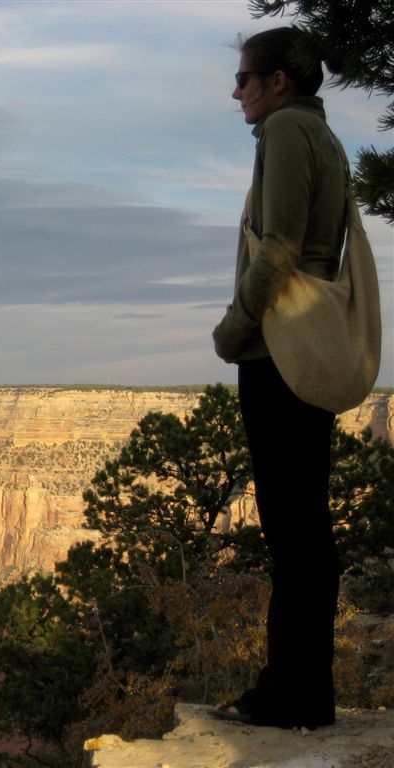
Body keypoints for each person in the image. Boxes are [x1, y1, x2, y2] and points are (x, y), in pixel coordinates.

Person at [212, 25, 347, 730]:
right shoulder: (317, 132)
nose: (235, 91)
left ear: (277, 81)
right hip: (301, 352)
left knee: (291, 528)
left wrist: (235, 329)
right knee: (302, 526)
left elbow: (282, 248)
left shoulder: (289, 132)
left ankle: (289, 693)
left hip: (282, 354)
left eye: (244, 77)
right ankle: (299, 689)